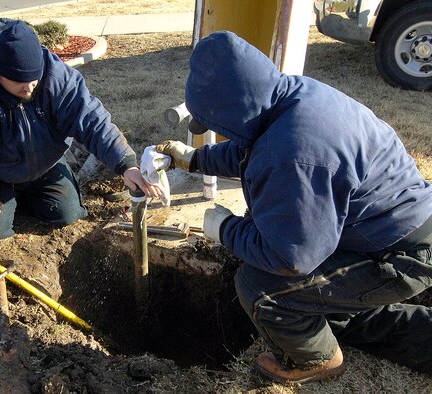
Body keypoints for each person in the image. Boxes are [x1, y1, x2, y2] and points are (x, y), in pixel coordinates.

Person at [156, 31, 432, 383]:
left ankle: (315, 361)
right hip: (393, 224)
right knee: (329, 310)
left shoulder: (295, 155)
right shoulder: (288, 98)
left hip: (398, 253)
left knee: (262, 289)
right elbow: (251, 150)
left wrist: (223, 230)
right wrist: (195, 159)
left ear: (235, 112)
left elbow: (291, 258)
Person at [0, 19, 158, 243]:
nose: (30, 87)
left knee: (67, 215)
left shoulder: (57, 77)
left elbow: (92, 121)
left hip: (46, 163)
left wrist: (126, 165)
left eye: (34, 79)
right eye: (20, 82)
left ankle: (18, 197)